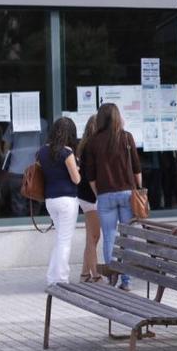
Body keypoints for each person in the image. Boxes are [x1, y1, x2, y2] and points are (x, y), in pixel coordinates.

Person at [84, 103, 141, 291]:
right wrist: (139, 189)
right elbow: (137, 168)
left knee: (109, 236)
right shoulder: (126, 137)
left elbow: (90, 175)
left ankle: (112, 276)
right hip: (127, 193)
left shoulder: (93, 141)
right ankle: (126, 281)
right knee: (127, 236)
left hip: (105, 194)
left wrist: (97, 192)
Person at [39, 117, 82, 285]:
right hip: (67, 200)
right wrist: (77, 166)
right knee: (65, 240)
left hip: (50, 200)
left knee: (59, 239)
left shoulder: (42, 151)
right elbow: (76, 179)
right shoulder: (67, 152)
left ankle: (52, 278)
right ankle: (62, 279)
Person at [76, 115, 103, 283]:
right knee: (94, 236)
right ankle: (95, 274)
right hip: (92, 196)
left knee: (90, 236)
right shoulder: (93, 147)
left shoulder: (84, 146)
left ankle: (84, 274)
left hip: (85, 195)